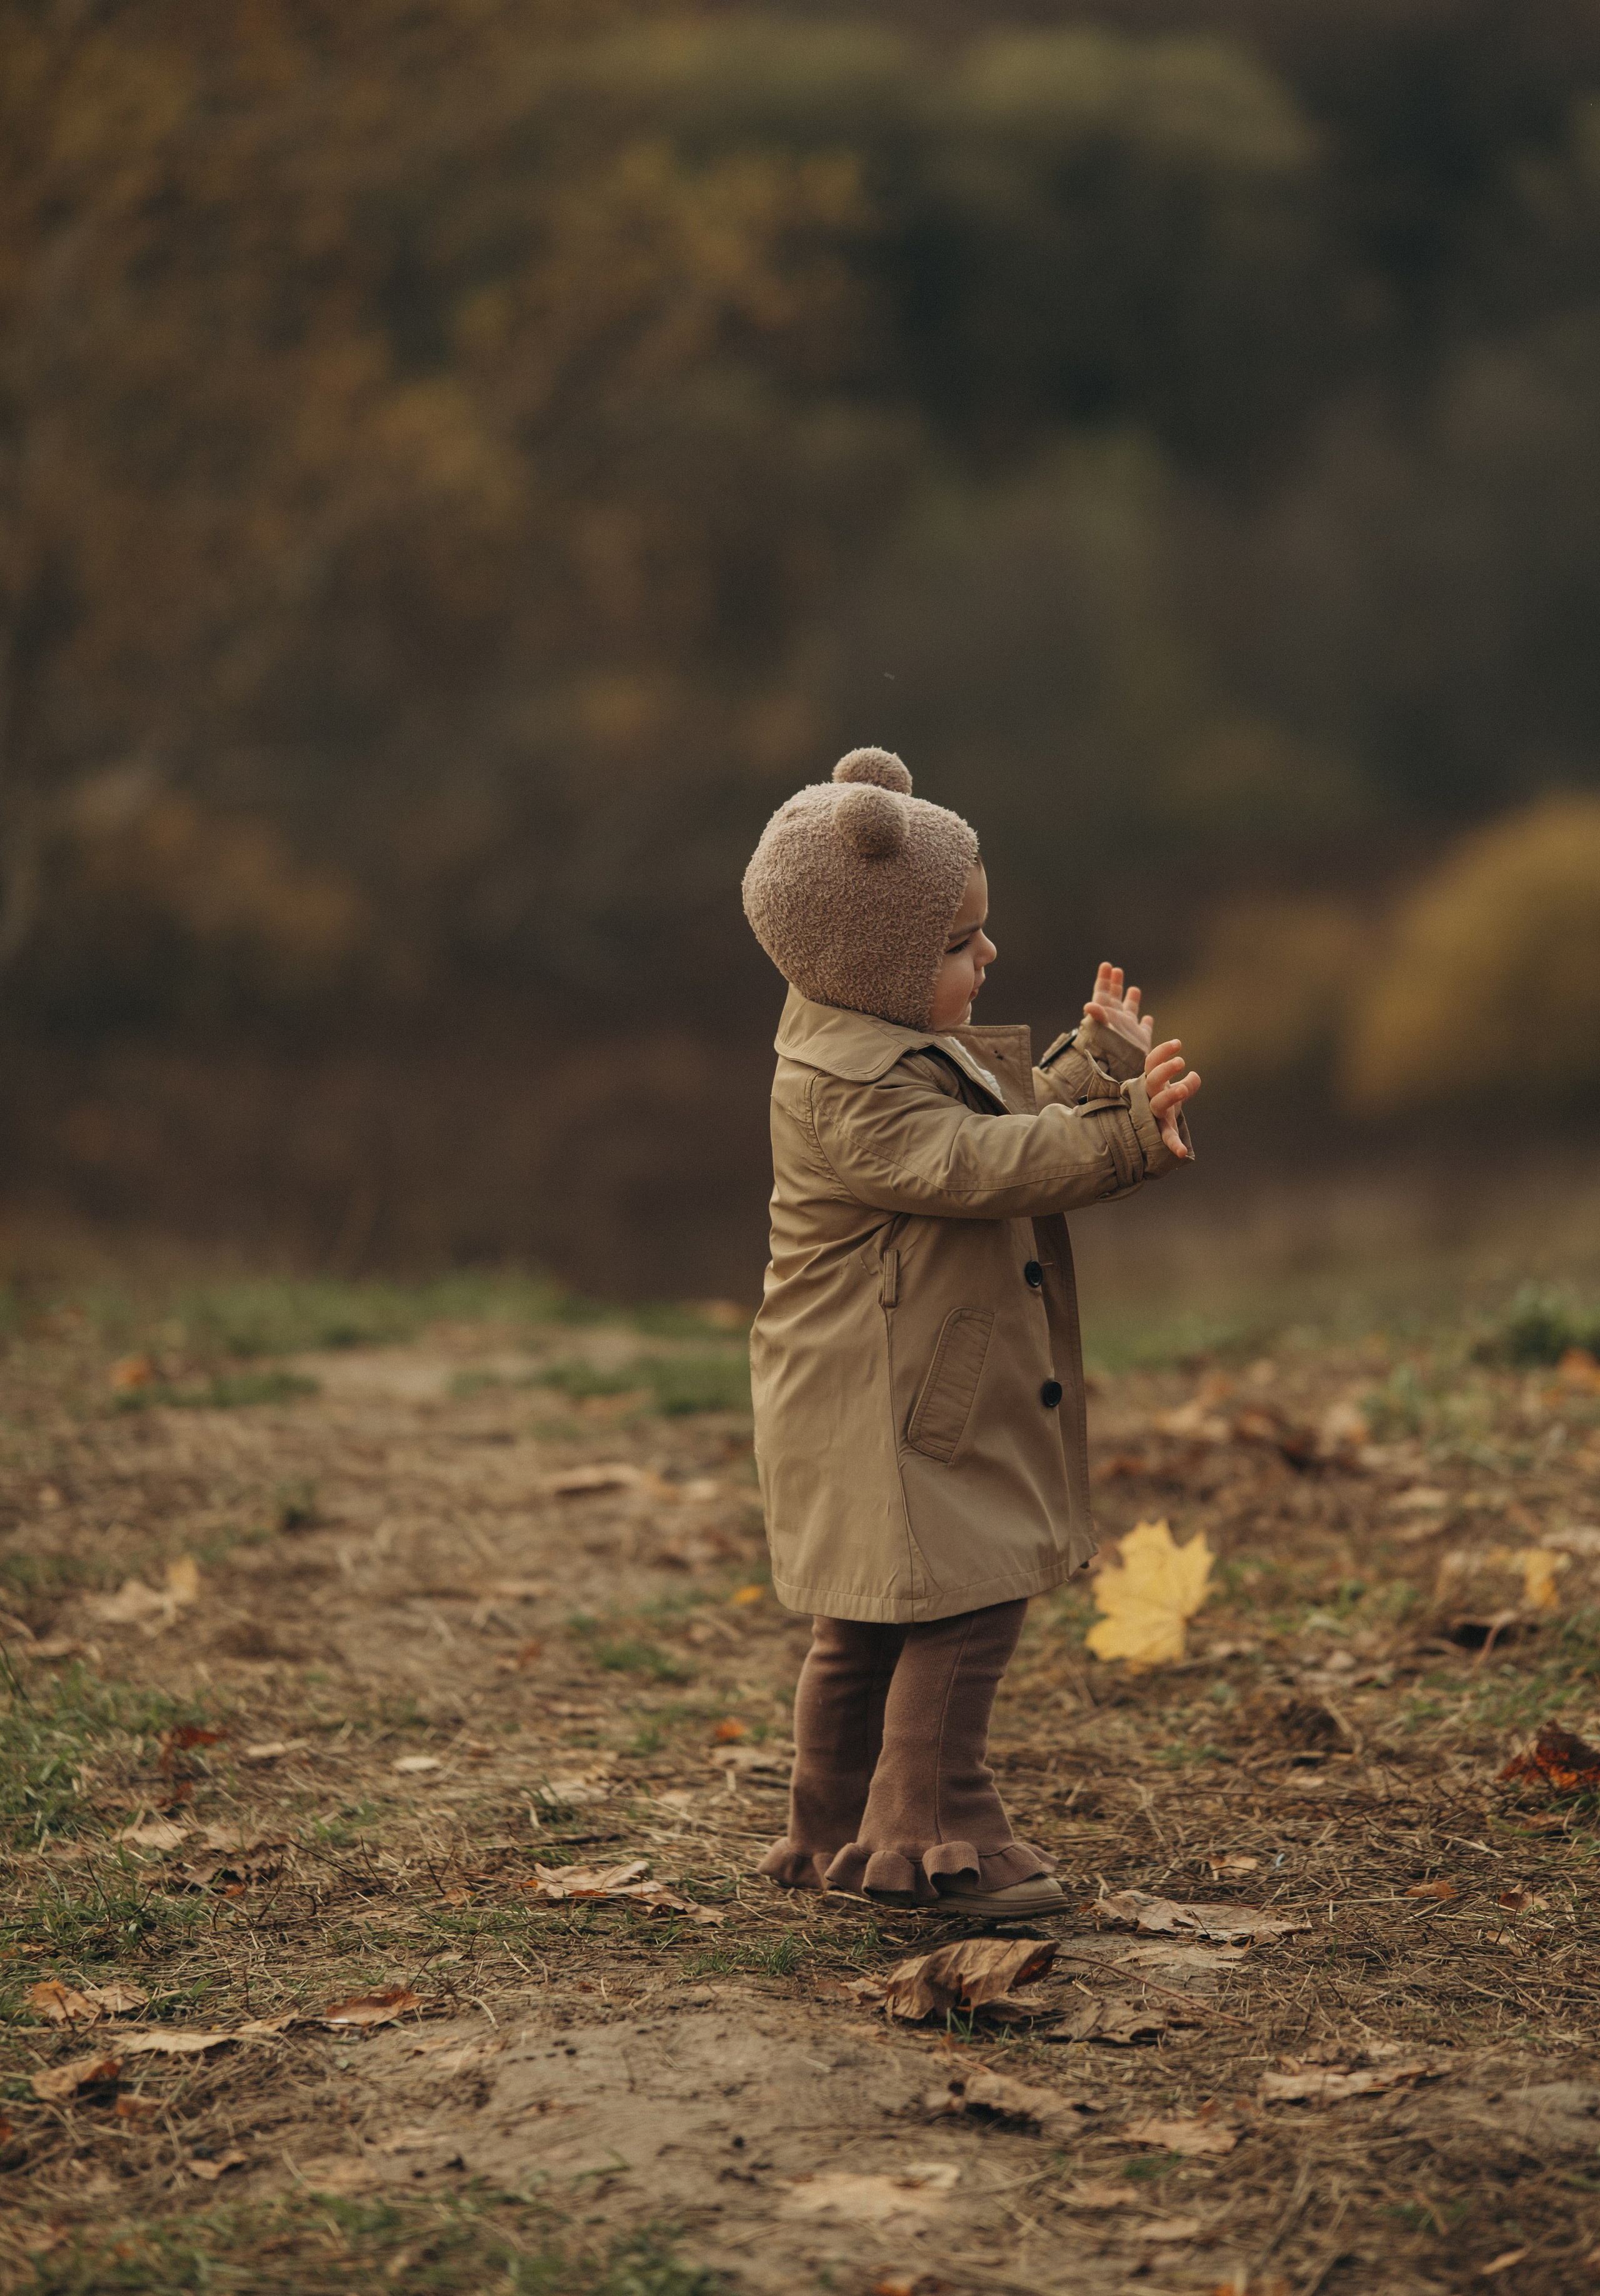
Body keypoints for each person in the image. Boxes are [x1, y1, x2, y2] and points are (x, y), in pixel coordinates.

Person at [739, 747, 1200, 1917]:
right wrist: (1126, 1137)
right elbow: (975, 1159)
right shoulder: (854, 1089)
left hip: (872, 1391)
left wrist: (1095, 1067)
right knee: (969, 1596)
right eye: (956, 945)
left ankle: (830, 1829)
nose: (986, 956)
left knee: (869, 1620)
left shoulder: (869, 1041)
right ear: (874, 965)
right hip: (891, 1404)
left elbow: (999, 1112)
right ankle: (932, 1834)